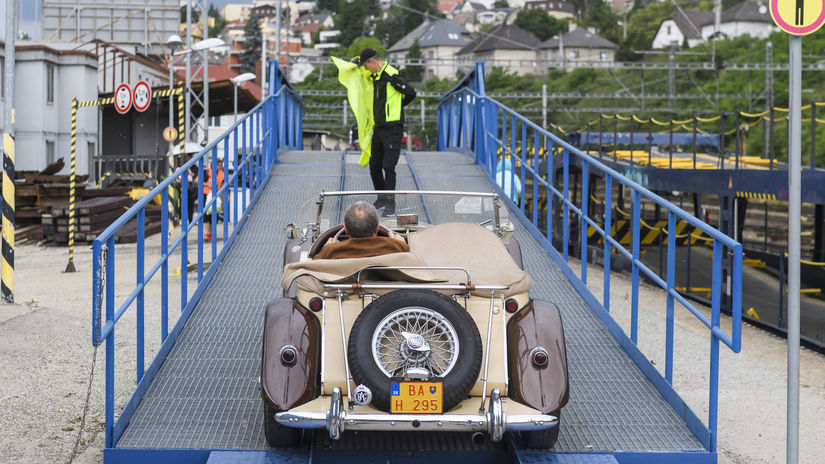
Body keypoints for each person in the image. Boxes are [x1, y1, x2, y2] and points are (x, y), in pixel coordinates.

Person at [357, 48, 417, 216]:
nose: (365, 69)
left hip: (393, 128)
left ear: (372, 62)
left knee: (388, 166)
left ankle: (391, 204)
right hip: (379, 128)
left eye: (365, 65)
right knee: (374, 165)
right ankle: (382, 198)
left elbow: (411, 93)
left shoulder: (391, 76)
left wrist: (397, 108)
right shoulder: (375, 77)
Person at [314, 201, 409, 260]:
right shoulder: (396, 247)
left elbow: (315, 265)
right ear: (377, 228)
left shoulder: (331, 251)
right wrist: (400, 243)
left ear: (346, 229)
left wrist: (327, 248)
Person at [203, 155, 225, 241]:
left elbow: (223, 185)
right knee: (206, 215)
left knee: (213, 215)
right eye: (219, 165)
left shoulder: (222, 174)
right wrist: (207, 185)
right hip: (206, 194)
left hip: (216, 196)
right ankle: (206, 234)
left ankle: (211, 234)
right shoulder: (207, 171)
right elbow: (197, 180)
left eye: (221, 165)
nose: (220, 167)